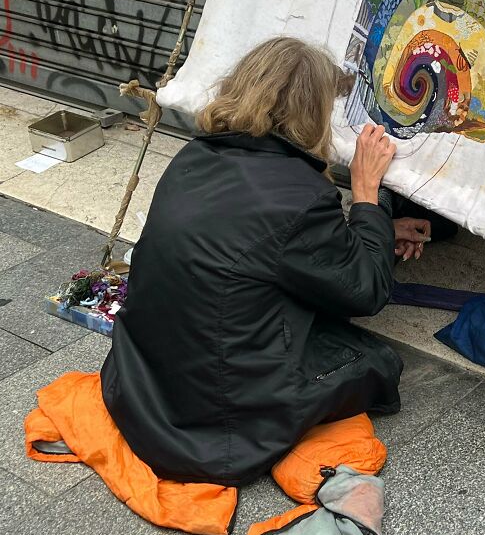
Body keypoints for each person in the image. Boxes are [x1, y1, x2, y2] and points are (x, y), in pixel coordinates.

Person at [100, 37, 434, 487]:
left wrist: (368, 225)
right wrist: (366, 194)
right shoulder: (300, 198)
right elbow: (367, 290)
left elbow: (259, 237)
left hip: (137, 387)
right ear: (311, 112)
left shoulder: (193, 157)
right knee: (376, 363)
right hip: (210, 429)